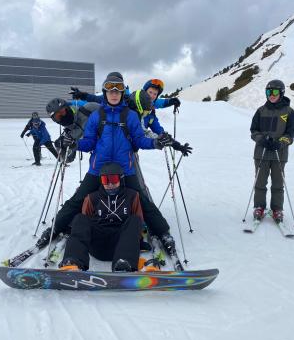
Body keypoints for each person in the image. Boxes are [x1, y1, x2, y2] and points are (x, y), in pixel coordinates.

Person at [40, 73, 192, 255]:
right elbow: (88, 142)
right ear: (105, 93)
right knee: (77, 200)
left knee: (143, 201)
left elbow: (139, 140)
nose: (114, 93)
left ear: (121, 93)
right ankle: (55, 228)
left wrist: (156, 143)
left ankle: (163, 233)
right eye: (110, 90)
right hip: (98, 169)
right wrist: (75, 144)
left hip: (125, 169)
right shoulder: (97, 116)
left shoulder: (131, 116)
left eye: (118, 90)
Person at [59, 162, 143, 272]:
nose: (109, 184)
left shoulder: (132, 196)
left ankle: (124, 264)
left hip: (122, 242)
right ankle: (74, 262)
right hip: (97, 244)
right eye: (105, 180)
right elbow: (84, 225)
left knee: (135, 220)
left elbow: (139, 223)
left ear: (121, 179)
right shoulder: (92, 197)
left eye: (113, 179)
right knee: (80, 218)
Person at [250, 79, 294, 222]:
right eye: (269, 91)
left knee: (278, 183)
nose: (272, 95)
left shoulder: (289, 112)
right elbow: (253, 130)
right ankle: (259, 207)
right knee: (260, 182)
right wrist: (261, 139)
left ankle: (277, 209)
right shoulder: (260, 111)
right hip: (261, 153)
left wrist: (280, 143)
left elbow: (290, 134)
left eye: (275, 91)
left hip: (279, 154)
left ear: (281, 93)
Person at [46, 98, 100, 163]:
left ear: (67, 108)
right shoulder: (69, 134)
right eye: (58, 116)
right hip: (99, 158)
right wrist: (62, 147)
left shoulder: (88, 109)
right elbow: (67, 159)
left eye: (62, 112)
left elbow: (111, 112)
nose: (62, 116)